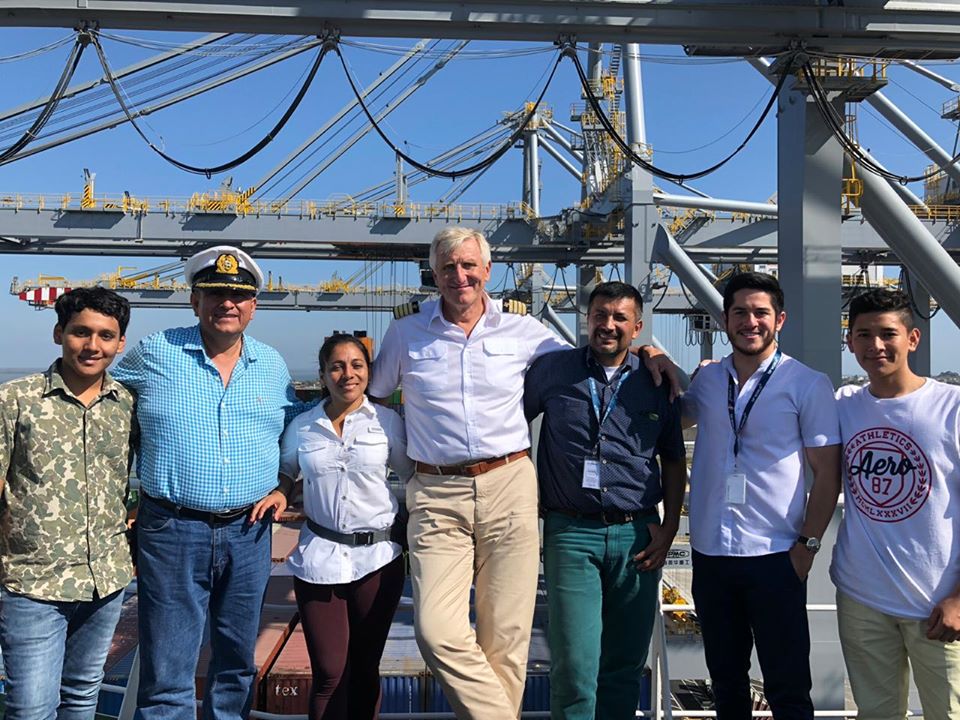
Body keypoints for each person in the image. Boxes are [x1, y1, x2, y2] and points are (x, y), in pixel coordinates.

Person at [367, 226, 570, 719]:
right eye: (448, 268)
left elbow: (584, 367)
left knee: (507, 638)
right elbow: (374, 402)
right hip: (436, 492)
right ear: (434, 275)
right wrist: (406, 464)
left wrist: (647, 353)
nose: (459, 276)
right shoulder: (406, 332)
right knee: (436, 630)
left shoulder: (522, 329)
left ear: (488, 271)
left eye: (468, 265)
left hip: (509, 483)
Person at [112, 245, 303, 720]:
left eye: (238, 296)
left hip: (250, 532)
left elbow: (299, 432)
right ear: (194, 301)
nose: (227, 303)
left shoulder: (272, 365)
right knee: (168, 668)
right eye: (215, 294)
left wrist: (285, 487)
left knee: (237, 663)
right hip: (172, 530)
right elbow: (100, 397)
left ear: (254, 306)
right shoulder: (155, 352)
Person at [681, 272, 841, 720]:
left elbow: (827, 472)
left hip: (776, 555)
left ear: (780, 319)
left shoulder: (806, 383)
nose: (749, 322)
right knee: (725, 683)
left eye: (760, 313)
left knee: (788, 687)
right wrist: (650, 356)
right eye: (739, 312)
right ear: (725, 320)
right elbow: (674, 419)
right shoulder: (708, 380)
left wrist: (807, 547)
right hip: (712, 554)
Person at [523, 281, 687, 720]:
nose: (608, 325)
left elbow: (674, 459)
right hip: (571, 532)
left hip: (638, 534)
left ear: (637, 327)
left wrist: (670, 528)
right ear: (587, 319)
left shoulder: (657, 381)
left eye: (619, 318)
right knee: (574, 664)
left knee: (624, 665)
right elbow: (507, 425)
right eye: (600, 315)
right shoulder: (553, 371)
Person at [255, 333, 414, 720]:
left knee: (365, 670)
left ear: (368, 372)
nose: (348, 374)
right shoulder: (303, 426)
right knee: (329, 673)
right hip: (319, 559)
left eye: (357, 365)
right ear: (323, 374)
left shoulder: (388, 423)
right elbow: (288, 471)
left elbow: (413, 478)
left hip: (378, 559)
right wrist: (280, 493)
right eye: (337, 367)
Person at [0, 287, 136, 720]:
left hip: (105, 581)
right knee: (30, 709)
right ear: (59, 333)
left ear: (120, 343)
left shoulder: (127, 405)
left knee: (80, 697)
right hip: (33, 584)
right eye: (81, 332)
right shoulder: (15, 400)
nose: (92, 345)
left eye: (105, 335)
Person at [832, 288, 960, 719]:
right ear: (849, 342)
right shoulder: (843, 405)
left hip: (939, 604)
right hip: (862, 598)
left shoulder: (952, 407)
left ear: (913, 338)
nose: (876, 346)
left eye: (888, 334)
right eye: (863, 335)